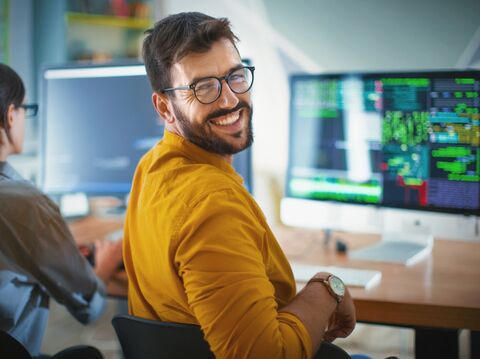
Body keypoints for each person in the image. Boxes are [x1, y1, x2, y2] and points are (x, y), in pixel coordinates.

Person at [123, 12, 356, 359]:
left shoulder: (153, 168)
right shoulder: (213, 204)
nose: (230, 100)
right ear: (164, 108)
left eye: (235, 76)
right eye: (203, 87)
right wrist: (327, 289)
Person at [0, 63, 123, 357]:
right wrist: (104, 264)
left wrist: (57, 245)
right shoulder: (25, 203)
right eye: (25, 110)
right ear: (10, 114)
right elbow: (87, 307)